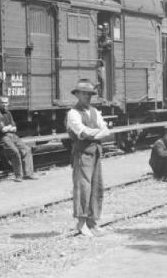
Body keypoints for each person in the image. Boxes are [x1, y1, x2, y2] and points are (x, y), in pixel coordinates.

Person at [66, 79, 111, 237]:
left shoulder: (94, 111)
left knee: (97, 186)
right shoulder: (73, 113)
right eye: (84, 93)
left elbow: (106, 131)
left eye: (90, 94)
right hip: (82, 153)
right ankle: (81, 223)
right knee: (83, 188)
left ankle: (92, 221)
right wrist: (96, 131)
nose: (88, 96)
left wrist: (94, 132)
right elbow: (82, 132)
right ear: (77, 95)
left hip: (96, 152)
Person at [0, 96, 37, 182]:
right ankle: (18, 176)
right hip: (2, 137)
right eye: (2, 103)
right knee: (15, 152)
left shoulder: (8, 113)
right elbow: (2, 130)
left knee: (27, 149)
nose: (5, 105)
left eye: (6, 103)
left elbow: (15, 128)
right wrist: (9, 127)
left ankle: (29, 174)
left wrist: (8, 127)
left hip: (13, 135)